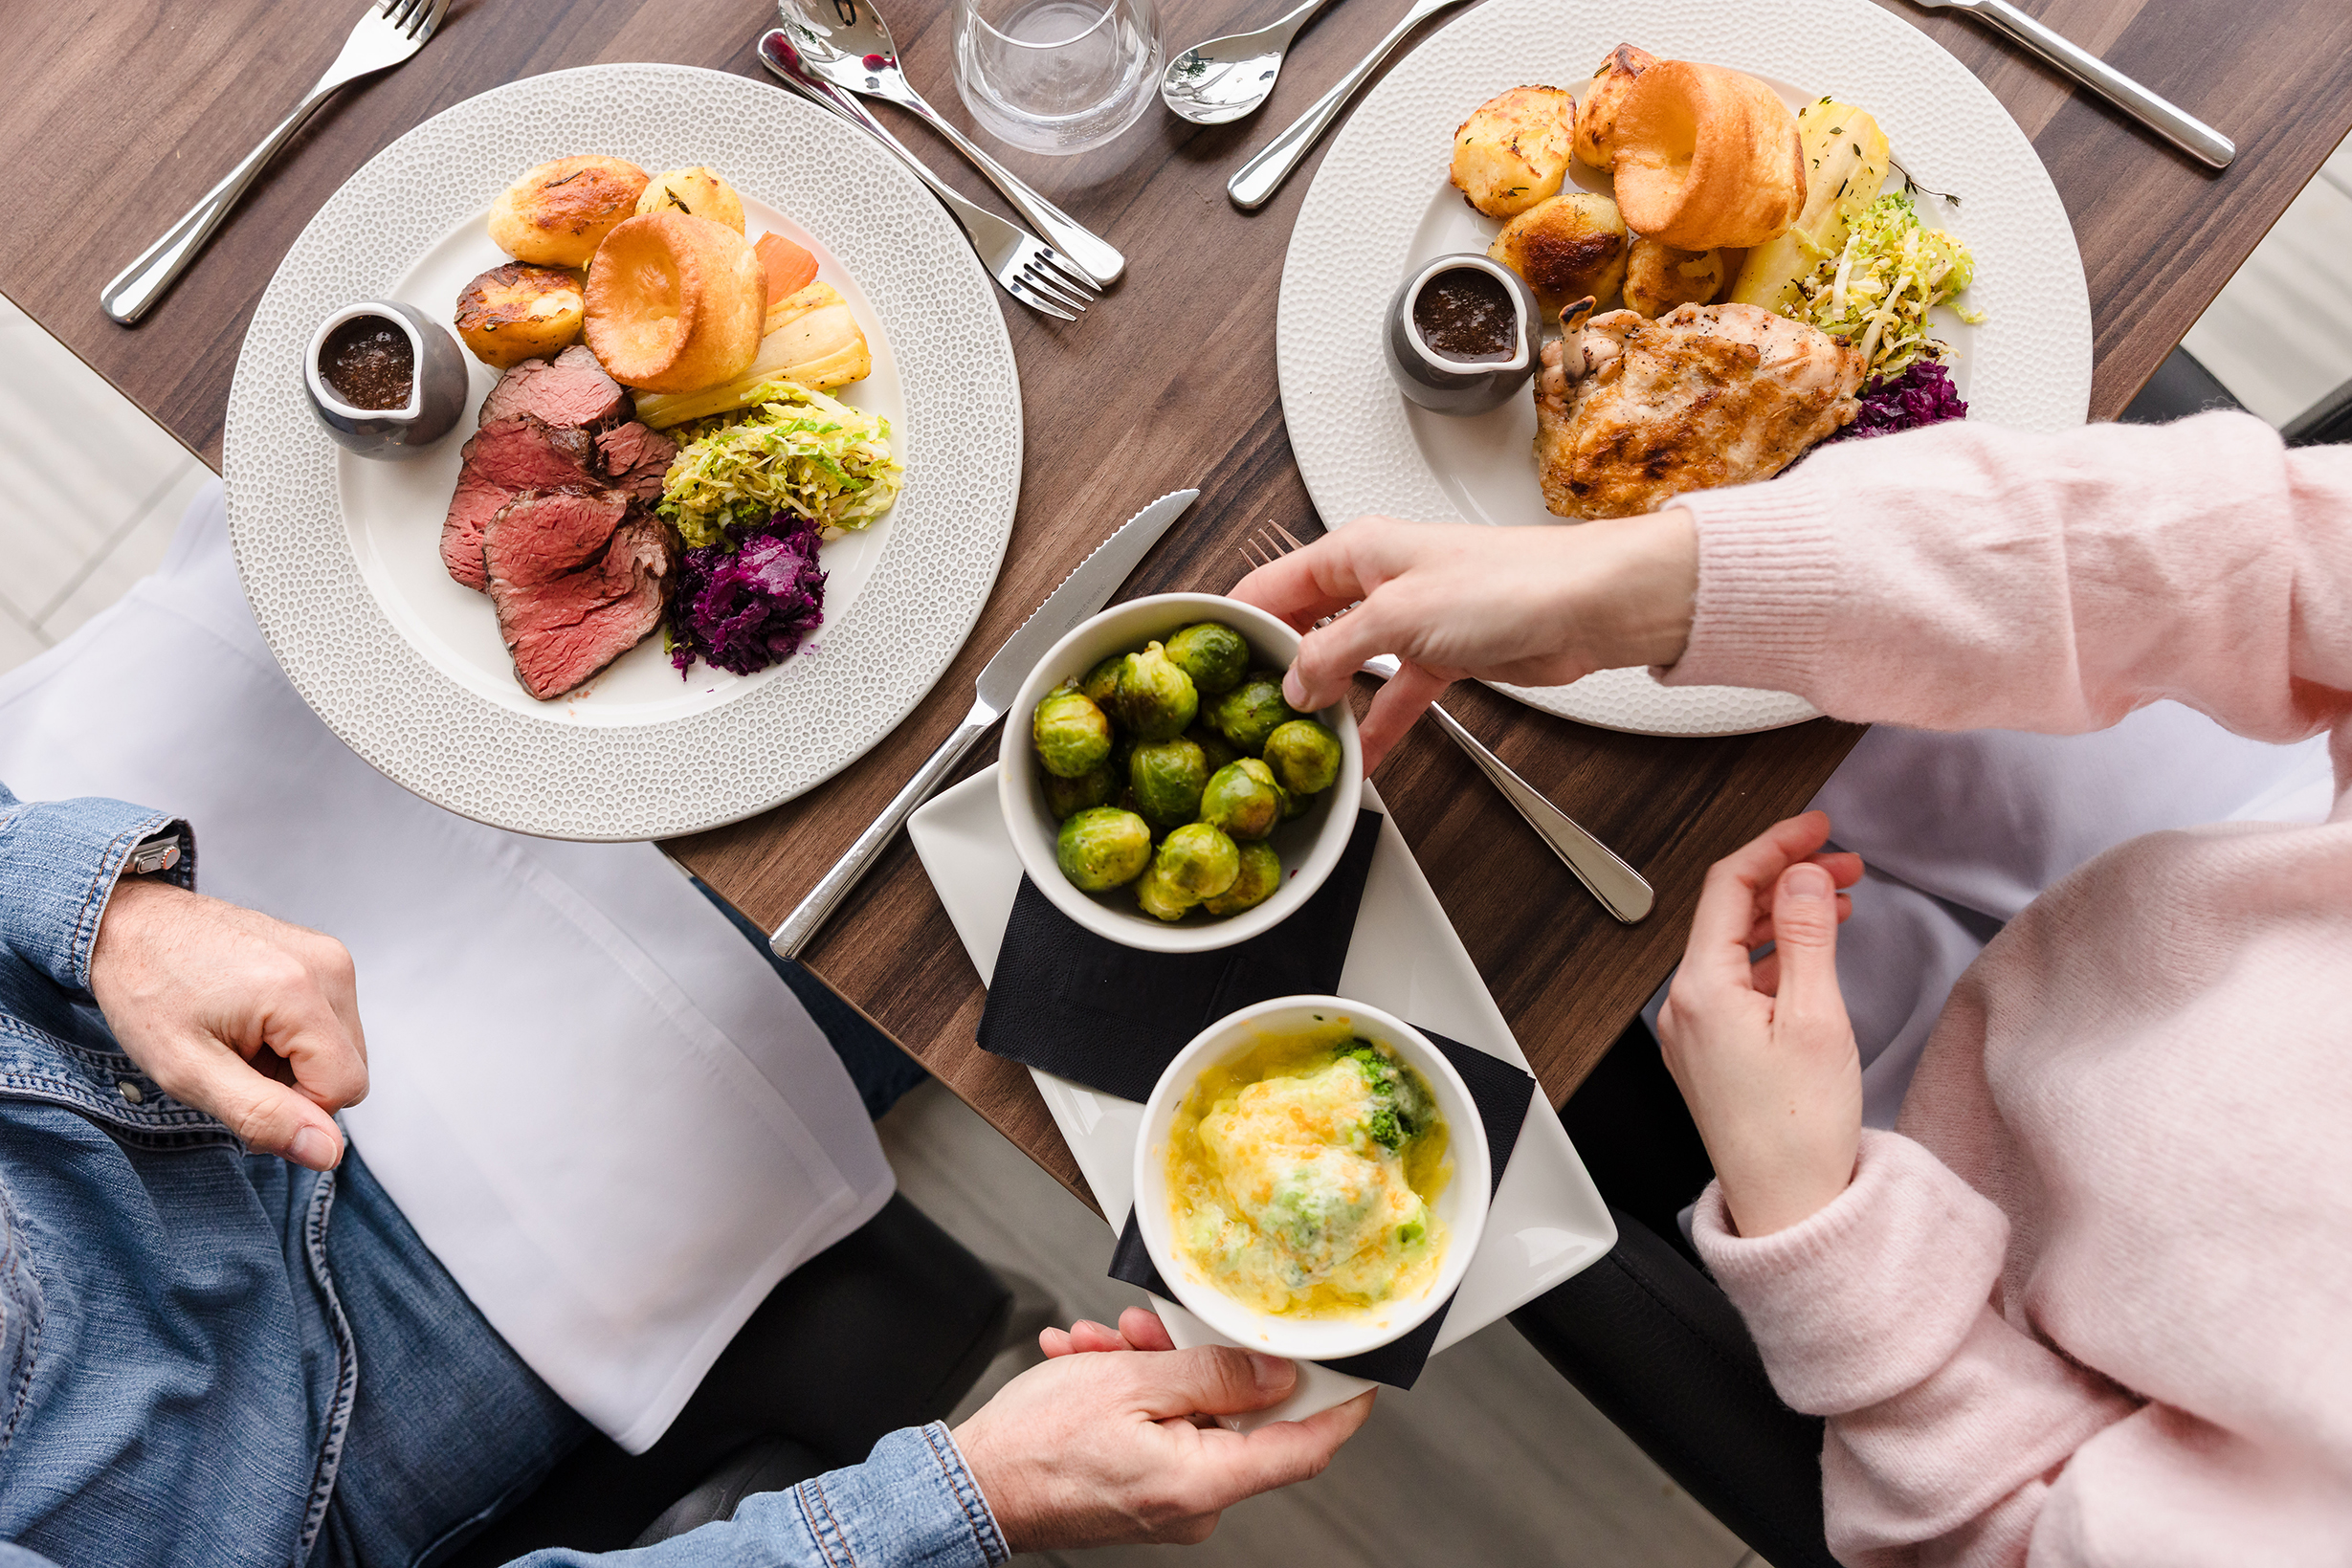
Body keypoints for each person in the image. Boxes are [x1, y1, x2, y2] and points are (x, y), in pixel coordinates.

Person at [1233, 409, 2352, 1564]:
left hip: (1934, 1205)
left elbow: (2004, 1535)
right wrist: (1665, 579)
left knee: (1485, 923)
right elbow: (2280, 546)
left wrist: (1810, 1210)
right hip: (2248, 797)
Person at [0, 782, 1370, 1564]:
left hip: (121, 941)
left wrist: (93, 906)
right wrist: (968, 1498)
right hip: (326, 1355)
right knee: (929, 880)